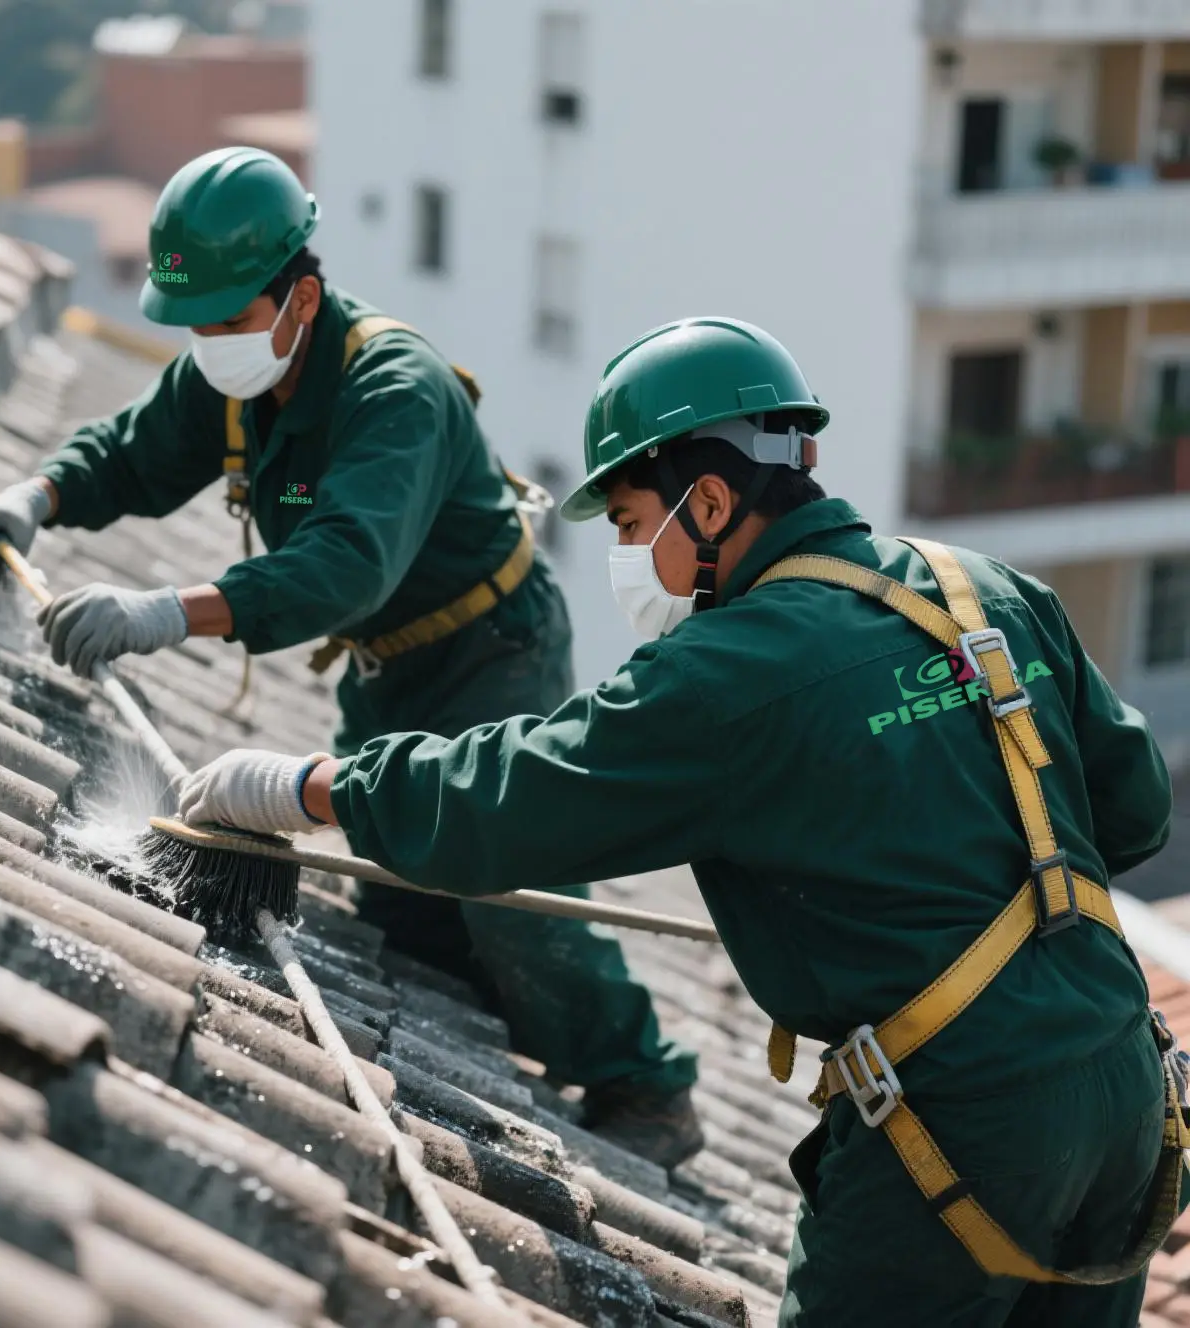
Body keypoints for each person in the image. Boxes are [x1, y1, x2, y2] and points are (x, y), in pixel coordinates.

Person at [177, 315, 1190, 1326]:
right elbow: (1133, 806)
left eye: (627, 524)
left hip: (963, 1123)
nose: (625, 557)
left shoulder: (729, 669)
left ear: (707, 501)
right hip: (1121, 1092)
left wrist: (313, 786)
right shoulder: (988, 593)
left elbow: (519, 793)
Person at [0, 146, 700, 1169]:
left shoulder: (396, 389)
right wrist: (35, 498)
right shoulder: (230, 372)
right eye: (194, 323)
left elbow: (344, 566)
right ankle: (498, 1015)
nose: (208, 344)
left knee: (496, 877)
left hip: (491, 650)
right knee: (396, 897)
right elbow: (131, 450)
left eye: (226, 319)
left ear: (299, 293)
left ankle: (641, 1083)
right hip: (387, 664)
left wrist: (166, 612)